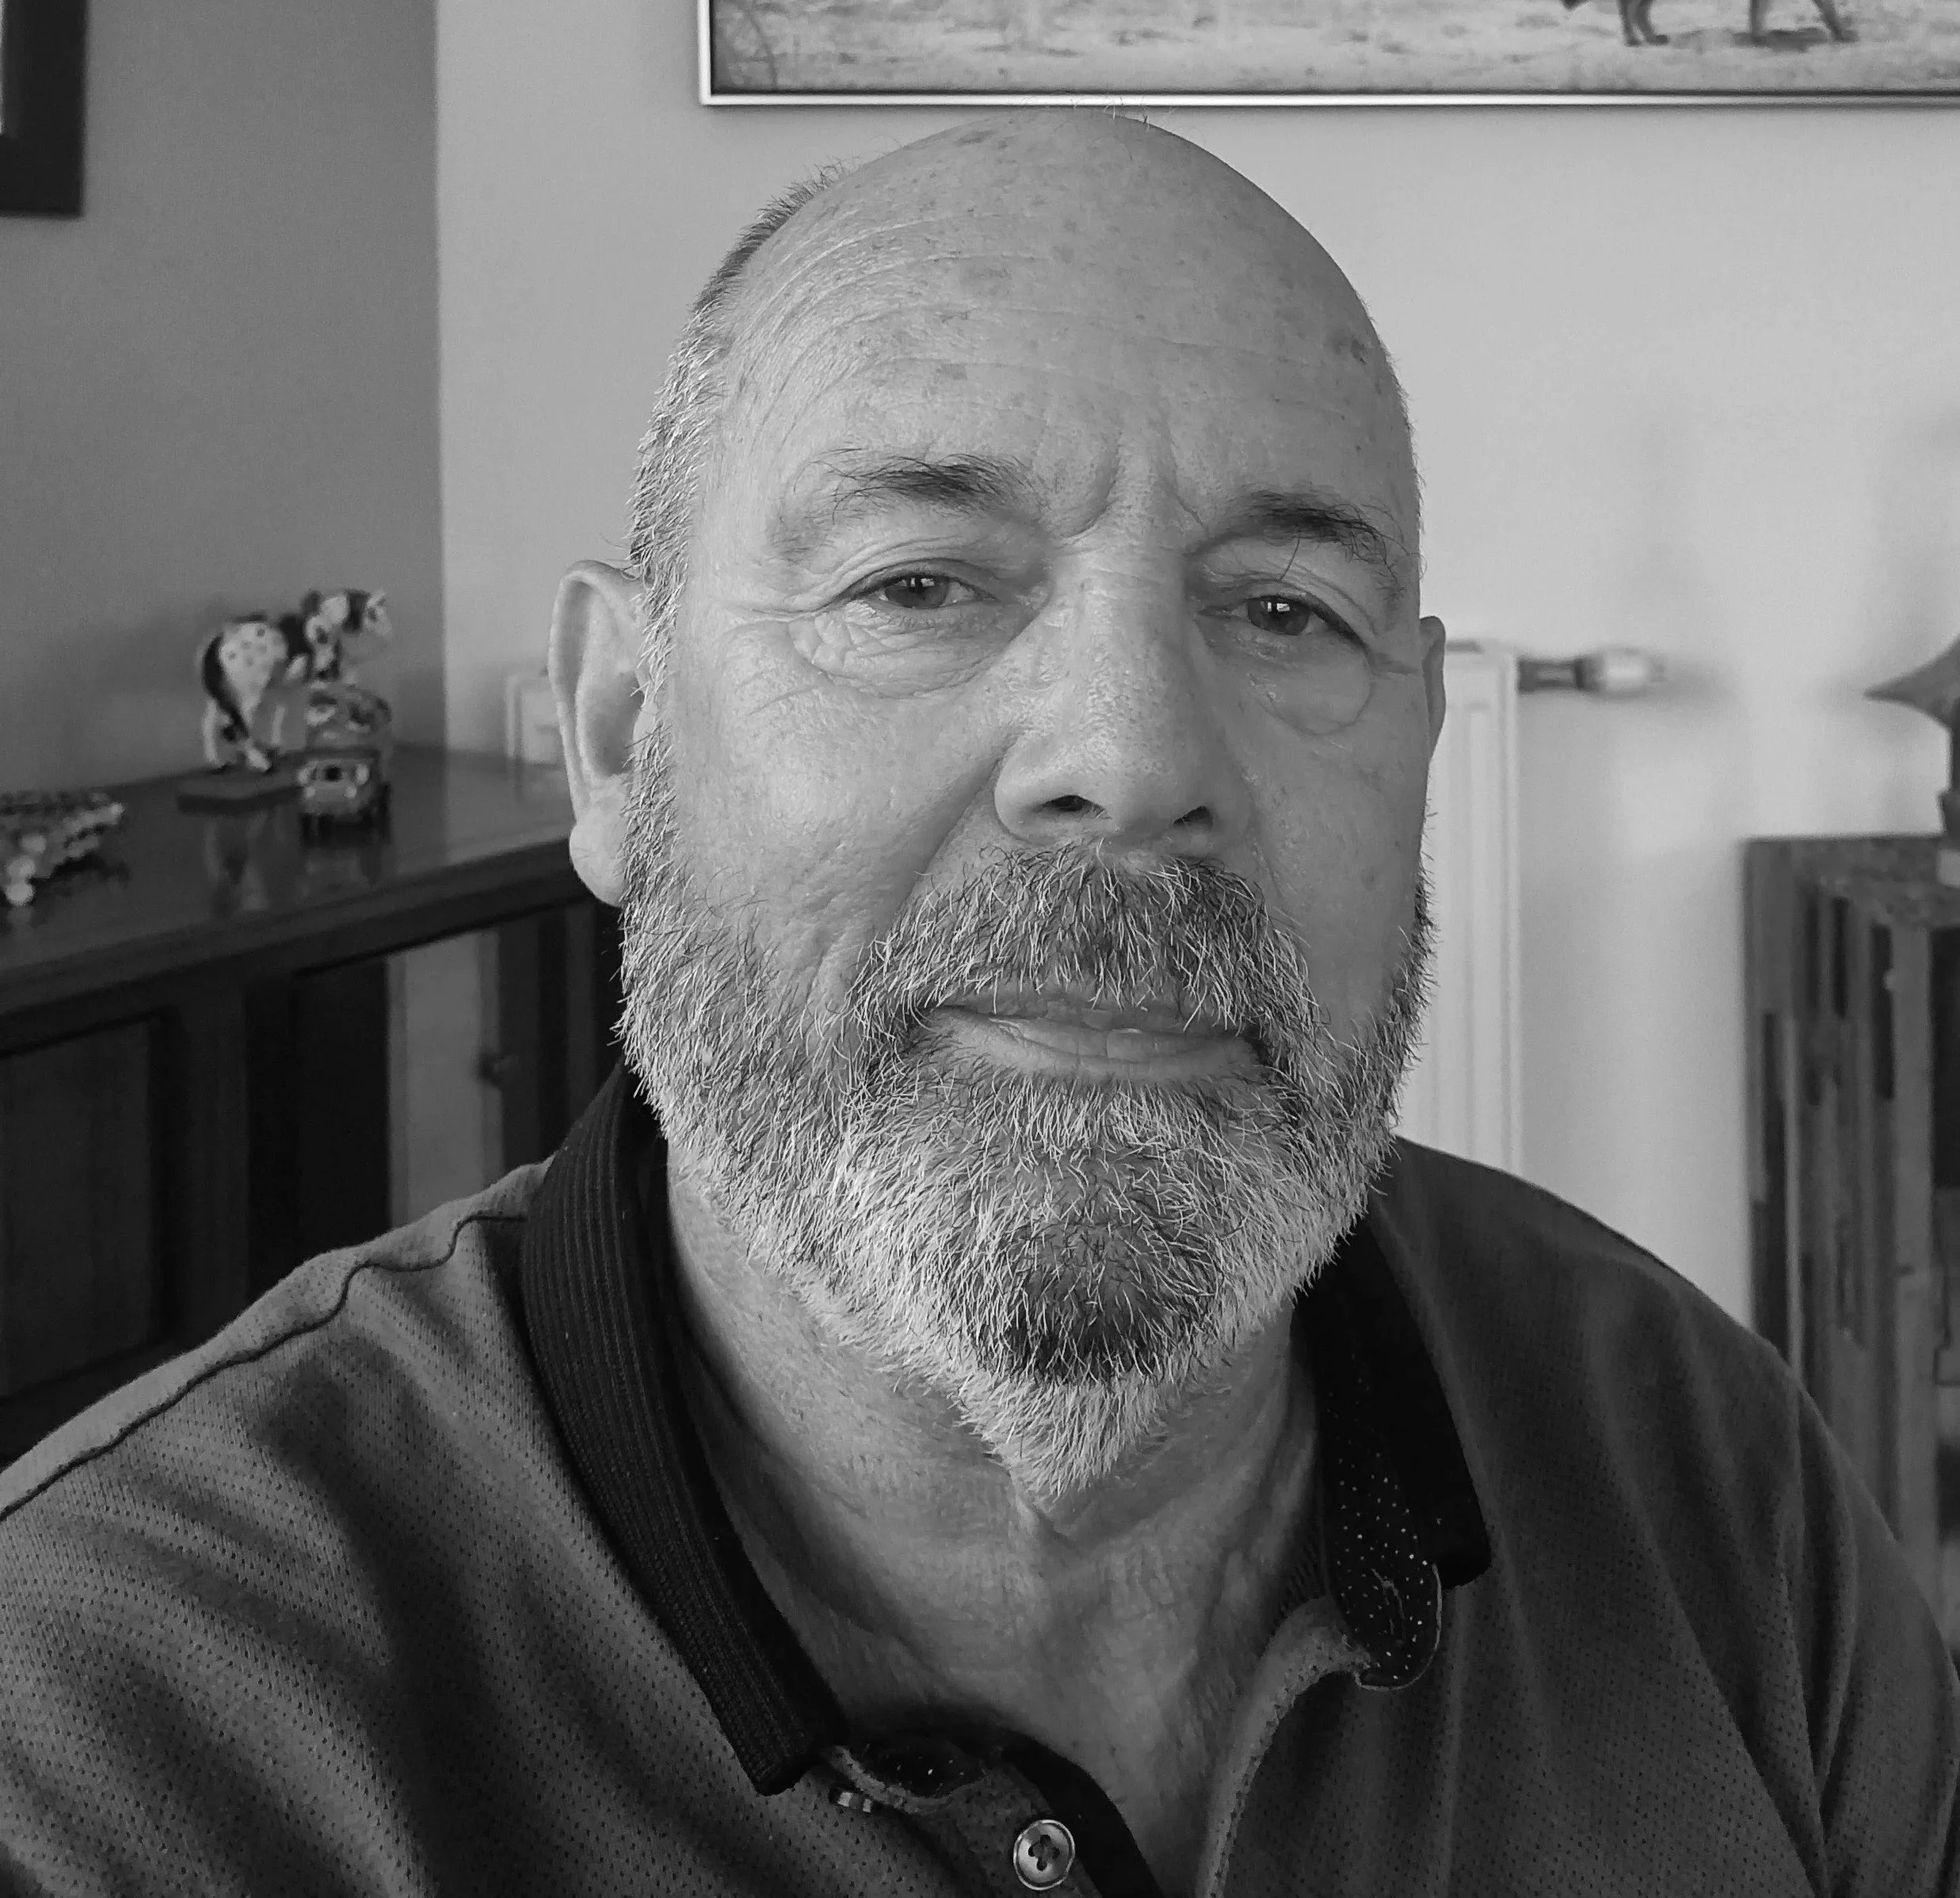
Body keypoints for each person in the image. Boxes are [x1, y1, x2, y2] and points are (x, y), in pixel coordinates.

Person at [0, 112, 1954, 1898]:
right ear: (620, 733)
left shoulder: (1705, 1475)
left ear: (1420, 744)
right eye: (920, 583)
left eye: (1285, 610)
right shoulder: (113, 1729)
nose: (1126, 754)